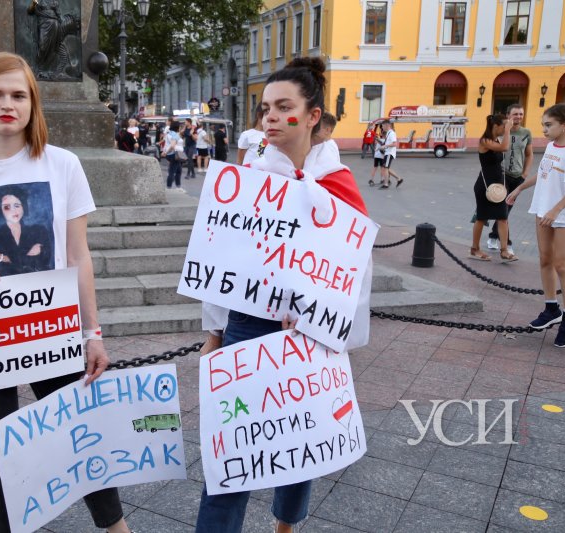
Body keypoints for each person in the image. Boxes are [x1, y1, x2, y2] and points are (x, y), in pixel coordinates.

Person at [0, 52, 132, 533]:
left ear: (33, 103)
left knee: (79, 431)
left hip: (50, 327)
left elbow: (78, 255)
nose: (7, 104)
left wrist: (91, 332)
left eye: (18, 95)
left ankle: (117, 528)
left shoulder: (61, 165)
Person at [197, 57, 371, 533]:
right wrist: (214, 330)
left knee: (299, 442)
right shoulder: (247, 179)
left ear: (313, 116)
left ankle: (286, 526)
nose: (270, 117)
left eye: (283, 107)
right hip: (246, 327)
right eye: (265, 108)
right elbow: (220, 261)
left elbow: (353, 270)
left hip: (308, 336)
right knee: (228, 457)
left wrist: (324, 320)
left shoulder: (338, 185)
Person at [506, 104, 565, 347]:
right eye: (543, 125)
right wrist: (521, 188)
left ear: (564, 124)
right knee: (545, 260)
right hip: (542, 210)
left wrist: (556, 210)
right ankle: (551, 308)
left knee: (562, 264)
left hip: (563, 216)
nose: (543, 129)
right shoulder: (552, 146)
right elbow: (544, 172)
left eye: (548, 125)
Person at [486, 103, 533, 255]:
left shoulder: (526, 132)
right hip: (502, 176)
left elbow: (529, 154)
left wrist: (525, 174)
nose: (518, 117)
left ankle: (494, 236)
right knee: (503, 210)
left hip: (517, 177)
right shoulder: (500, 131)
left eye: (521, 114)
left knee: (506, 209)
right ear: (508, 115)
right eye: (515, 114)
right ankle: (507, 243)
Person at [469, 113, 515, 262]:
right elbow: (505, 147)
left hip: (498, 186)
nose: (506, 129)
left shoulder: (495, 139)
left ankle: (504, 250)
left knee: (503, 217)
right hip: (484, 186)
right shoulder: (485, 141)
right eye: (504, 126)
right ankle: (475, 249)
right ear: (496, 126)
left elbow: (502, 149)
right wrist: (508, 131)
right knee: (482, 218)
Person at [379, 121, 404, 188]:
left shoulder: (392, 133)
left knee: (386, 168)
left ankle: (386, 184)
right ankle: (399, 179)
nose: (382, 127)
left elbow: (395, 144)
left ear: (387, 125)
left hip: (390, 153)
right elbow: (388, 143)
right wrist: (382, 147)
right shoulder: (388, 133)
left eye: (382, 126)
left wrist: (385, 146)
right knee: (385, 168)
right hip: (387, 152)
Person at [162, 119, 185, 191]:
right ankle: (169, 187)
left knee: (178, 170)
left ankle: (178, 186)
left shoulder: (169, 133)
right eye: (180, 127)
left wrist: (165, 152)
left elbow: (166, 144)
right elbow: (172, 145)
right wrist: (166, 152)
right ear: (177, 127)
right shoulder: (175, 135)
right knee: (173, 171)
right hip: (175, 154)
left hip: (171, 154)